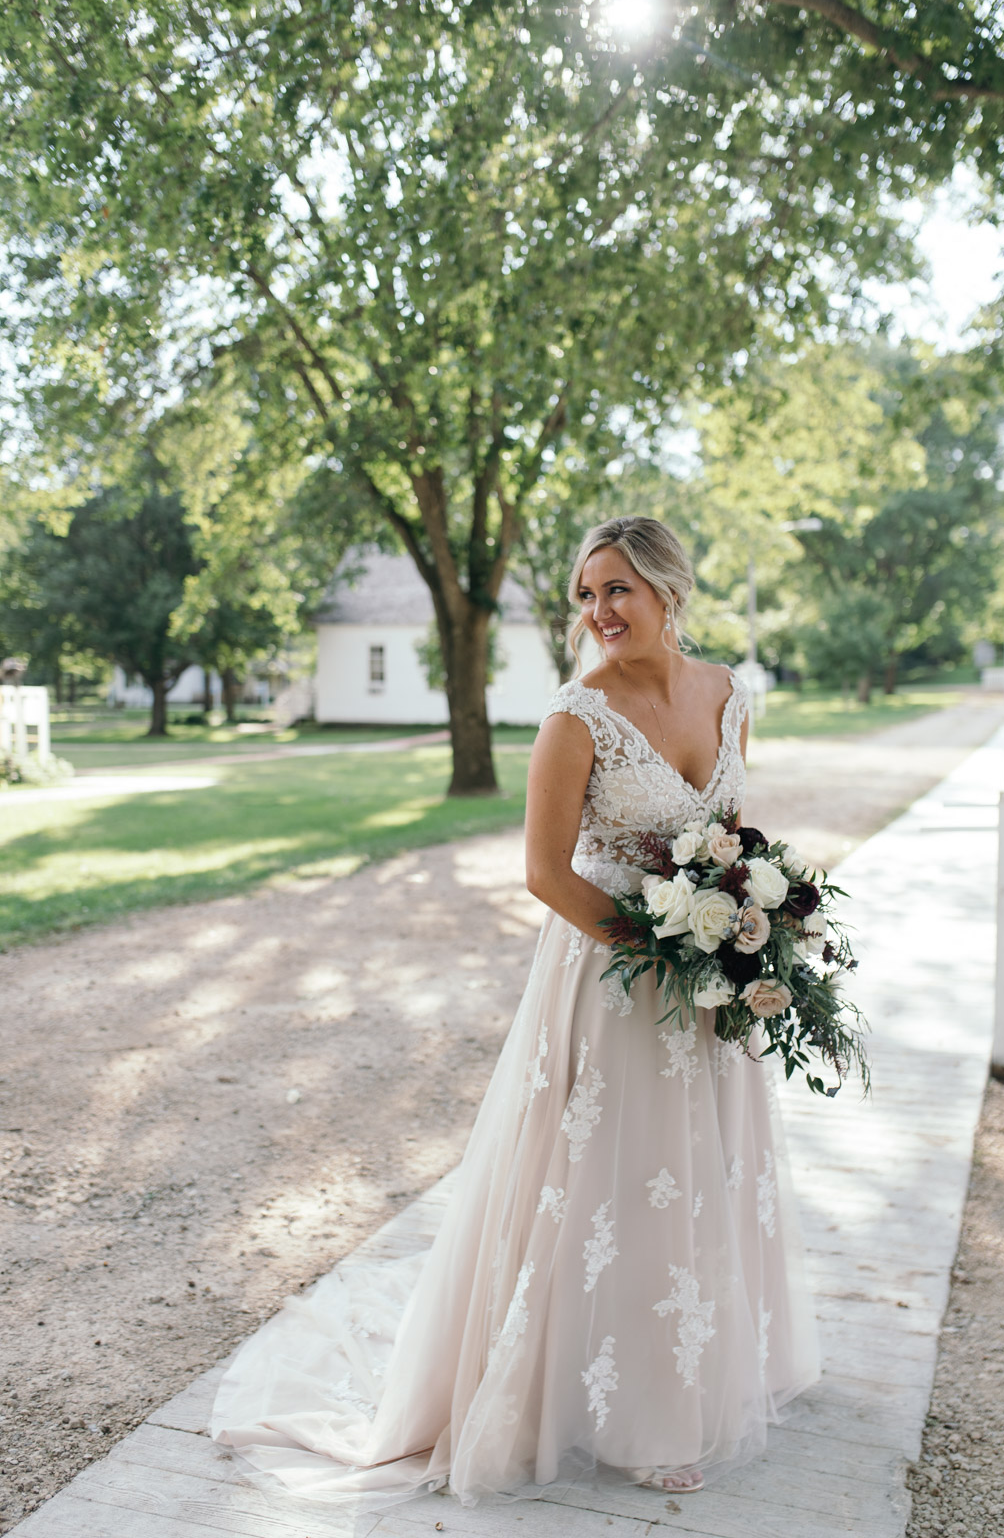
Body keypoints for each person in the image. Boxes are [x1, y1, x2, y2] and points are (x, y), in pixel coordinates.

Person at [211, 515, 820, 1509]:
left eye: (616, 588)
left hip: (707, 982)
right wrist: (660, 946)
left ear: (669, 587)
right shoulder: (575, 717)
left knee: (703, 1165)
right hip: (612, 983)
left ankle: (703, 1367)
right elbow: (543, 872)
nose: (597, 611)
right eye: (586, 594)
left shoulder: (730, 695)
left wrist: (747, 922)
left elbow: (733, 829)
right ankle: (633, 1413)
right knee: (621, 1181)